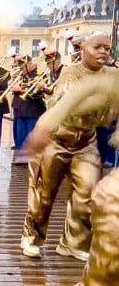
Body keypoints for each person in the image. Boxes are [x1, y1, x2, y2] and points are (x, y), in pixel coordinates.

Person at [20, 32, 114, 261]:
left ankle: (73, 242)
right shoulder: (70, 73)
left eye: (107, 48)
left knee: (87, 192)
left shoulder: (112, 75)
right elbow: (64, 105)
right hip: (57, 140)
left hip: (86, 142)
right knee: (43, 194)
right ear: (83, 49)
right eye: (97, 47)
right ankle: (31, 238)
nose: (103, 52)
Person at [10, 55, 46, 165]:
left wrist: (20, 88)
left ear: (30, 64)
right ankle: (22, 157)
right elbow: (12, 85)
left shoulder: (39, 74)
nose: (21, 69)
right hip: (21, 109)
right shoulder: (21, 74)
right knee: (20, 134)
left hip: (33, 109)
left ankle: (31, 158)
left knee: (31, 135)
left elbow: (38, 90)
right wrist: (13, 85)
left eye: (23, 67)